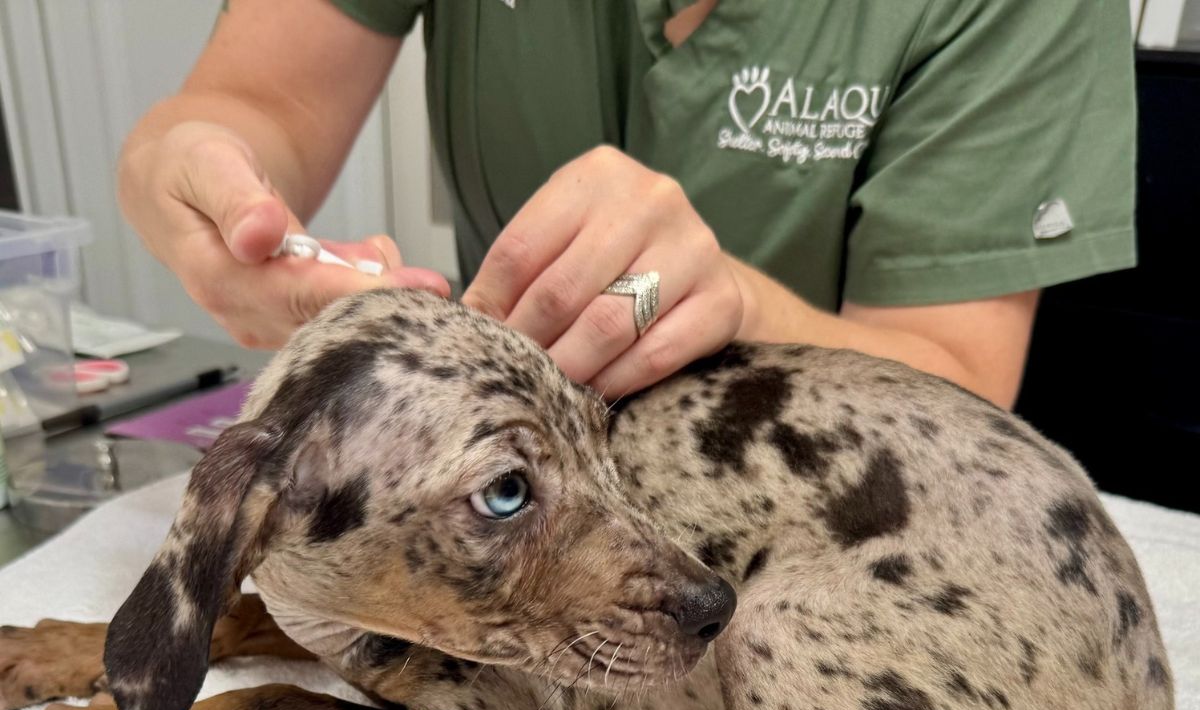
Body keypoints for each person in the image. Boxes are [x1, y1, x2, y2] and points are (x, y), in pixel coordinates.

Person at [118, 0, 1137, 410]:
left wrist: (737, 309)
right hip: (497, 466)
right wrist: (190, 165)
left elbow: (953, 389)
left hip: (803, 506)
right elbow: (260, 97)